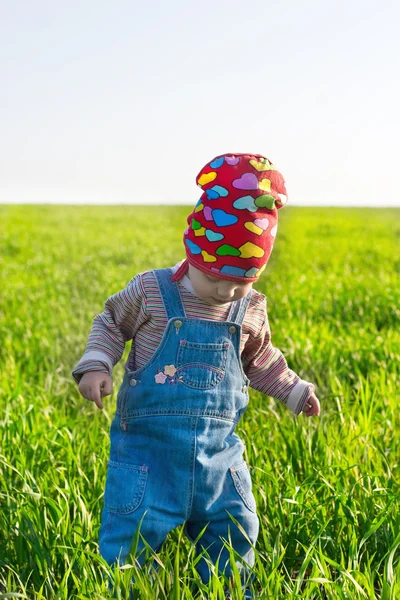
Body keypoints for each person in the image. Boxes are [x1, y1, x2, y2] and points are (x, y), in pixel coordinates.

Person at [72, 152, 320, 598]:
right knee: (130, 539)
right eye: (215, 279)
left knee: (236, 529)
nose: (226, 291)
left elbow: (261, 359)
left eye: (240, 283)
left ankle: (226, 589)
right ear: (193, 251)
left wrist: (294, 390)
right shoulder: (152, 291)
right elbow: (111, 320)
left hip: (219, 460)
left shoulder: (250, 309)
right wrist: (95, 363)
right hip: (147, 459)